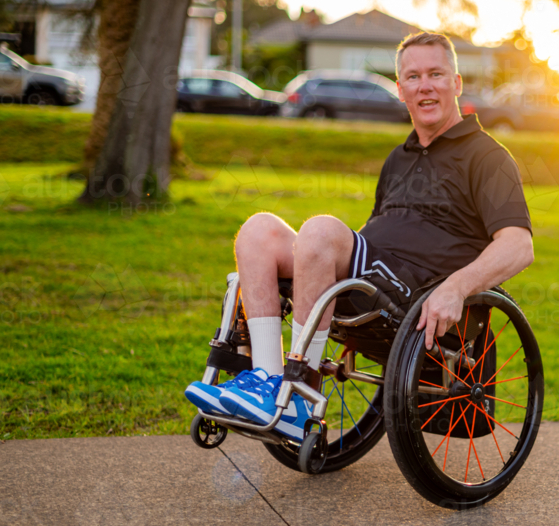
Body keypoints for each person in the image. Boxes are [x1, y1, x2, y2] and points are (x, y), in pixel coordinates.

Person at [185, 32, 534, 438]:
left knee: (320, 230)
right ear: (400, 90)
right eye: (414, 77)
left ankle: (296, 397)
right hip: (373, 279)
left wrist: (457, 288)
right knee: (258, 230)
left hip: (418, 292)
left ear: (456, 84)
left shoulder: (487, 156)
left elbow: (518, 245)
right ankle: (266, 378)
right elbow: (375, 232)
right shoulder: (398, 160)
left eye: (436, 74)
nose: (425, 85)